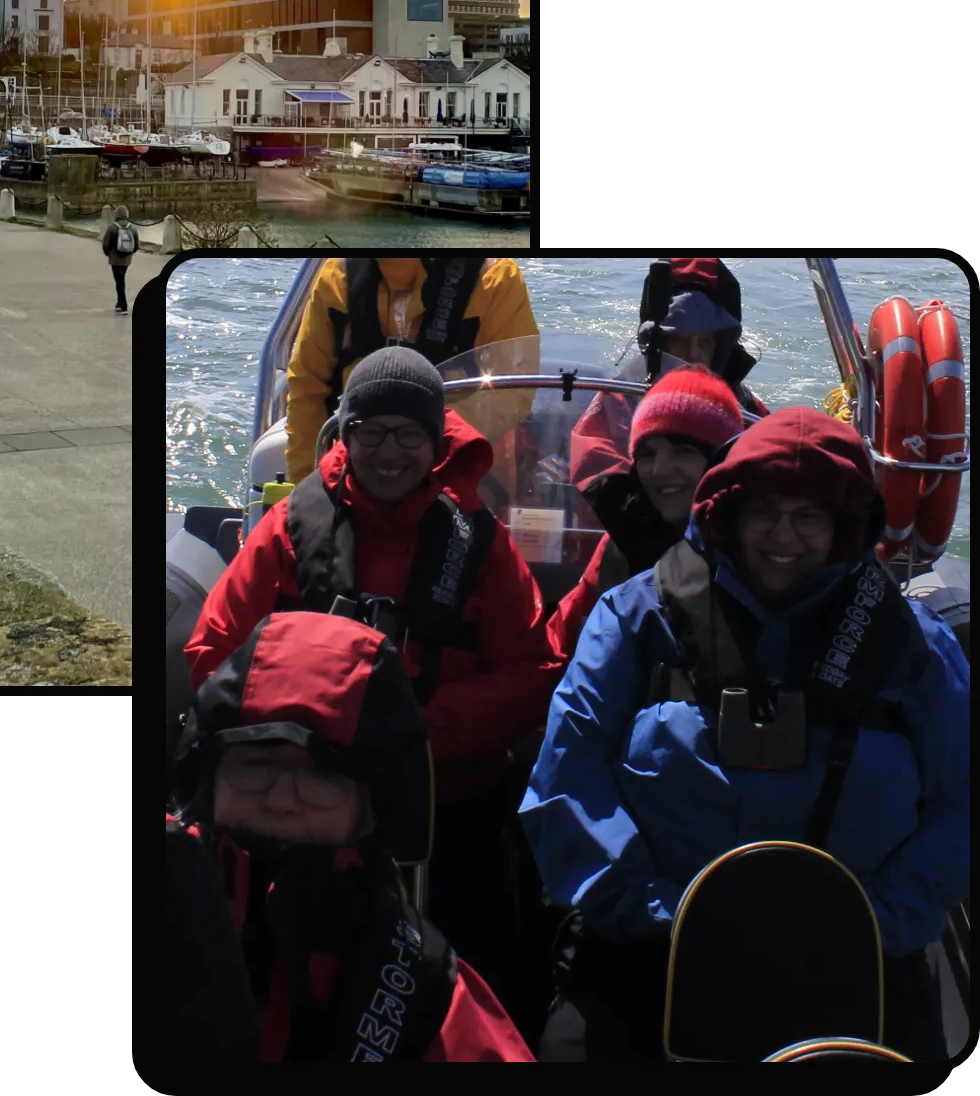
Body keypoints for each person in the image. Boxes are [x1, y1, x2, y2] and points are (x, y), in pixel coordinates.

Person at [521, 406, 970, 1063]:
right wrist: (659, 914)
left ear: (845, 526)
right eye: (763, 511)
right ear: (728, 513)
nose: (782, 536)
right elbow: (566, 778)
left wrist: (876, 922)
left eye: (809, 517)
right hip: (653, 944)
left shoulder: (914, 649)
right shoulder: (635, 618)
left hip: (860, 952)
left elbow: (960, 805)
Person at [186, 346, 560, 1027]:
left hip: (453, 808)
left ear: (437, 439)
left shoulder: (479, 542)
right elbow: (212, 653)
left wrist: (420, 736)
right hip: (297, 809)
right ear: (345, 434)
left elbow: (535, 670)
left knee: (491, 976)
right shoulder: (288, 530)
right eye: (372, 433)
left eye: (409, 435)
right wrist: (304, 737)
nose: (390, 452)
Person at [167, 611, 535, 1061]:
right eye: (256, 764)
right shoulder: (165, 897)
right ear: (208, 779)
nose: (281, 797)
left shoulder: (422, 985)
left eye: (324, 774)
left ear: (370, 811)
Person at [548, 367, 746, 671]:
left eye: (682, 451)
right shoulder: (621, 542)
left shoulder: (757, 546)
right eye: (648, 454)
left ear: (721, 459)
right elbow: (558, 647)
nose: (660, 469)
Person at [283, 256, 538, 486]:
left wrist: (419, 440)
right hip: (355, 473)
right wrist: (306, 486)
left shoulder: (495, 278)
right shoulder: (336, 276)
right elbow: (308, 390)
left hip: (460, 476)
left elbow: (513, 392)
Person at [570, 257, 770, 493]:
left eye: (705, 342)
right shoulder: (620, 398)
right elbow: (595, 470)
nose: (693, 354)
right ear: (659, 343)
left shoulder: (746, 407)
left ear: (722, 347)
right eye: (680, 341)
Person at [100, 203, 137, 315]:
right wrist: (129, 253)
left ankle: (123, 305)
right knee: (121, 280)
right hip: (127, 260)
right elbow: (137, 245)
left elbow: (106, 244)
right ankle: (119, 303)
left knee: (119, 282)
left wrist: (108, 254)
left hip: (115, 259)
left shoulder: (112, 227)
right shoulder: (132, 228)